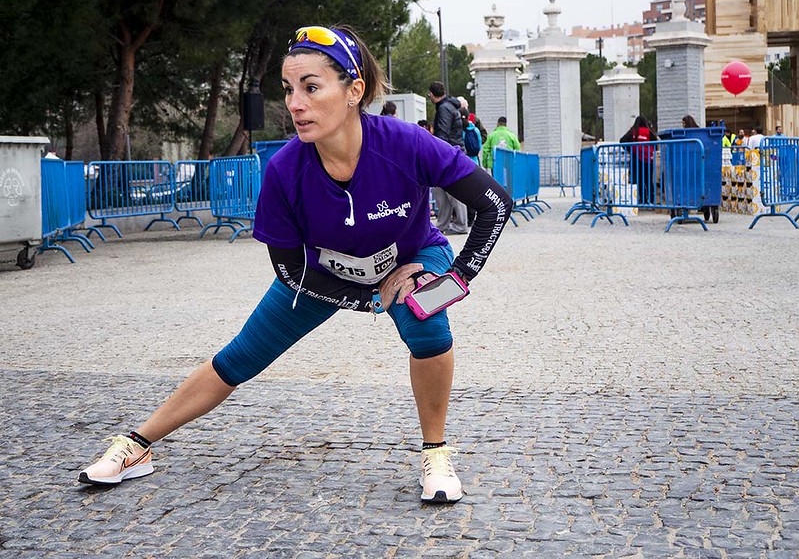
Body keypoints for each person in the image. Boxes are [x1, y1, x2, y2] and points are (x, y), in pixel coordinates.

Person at [78, 25, 513, 505]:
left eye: (311, 87)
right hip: (320, 275)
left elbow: (495, 203)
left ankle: (436, 453)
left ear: (354, 91)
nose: (295, 103)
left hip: (413, 258)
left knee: (426, 319)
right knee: (240, 356)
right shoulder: (285, 169)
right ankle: (137, 444)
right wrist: (368, 297)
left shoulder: (406, 143)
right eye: (288, 90)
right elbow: (288, 271)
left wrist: (454, 280)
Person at [428, 81, 469, 236]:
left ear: (432, 94)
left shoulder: (444, 109)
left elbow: (443, 133)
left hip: (448, 155)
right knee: (440, 190)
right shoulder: (450, 106)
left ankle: (460, 224)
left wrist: (436, 152)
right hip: (453, 152)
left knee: (453, 191)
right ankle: (444, 223)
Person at [620, 115, 659, 205]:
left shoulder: (633, 131)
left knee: (639, 180)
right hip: (648, 160)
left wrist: (630, 149)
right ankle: (652, 200)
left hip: (636, 159)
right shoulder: (648, 131)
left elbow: (622, 140)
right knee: (648, 180)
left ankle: (642, 200)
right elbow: (656, 142)